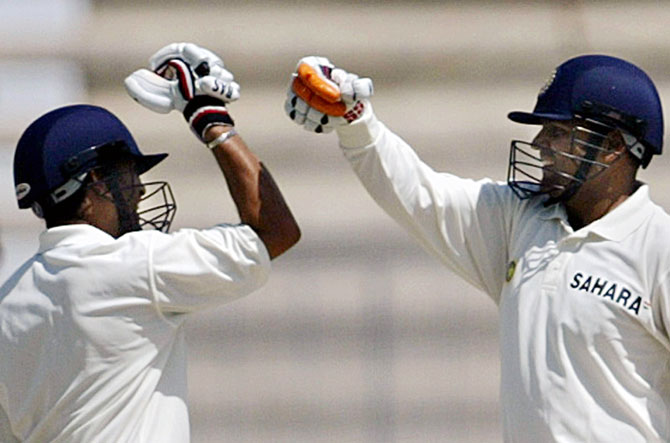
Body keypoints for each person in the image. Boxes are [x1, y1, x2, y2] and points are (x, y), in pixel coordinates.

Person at [285, 55, 670, 441]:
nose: (539, 145)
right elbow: (421, 195)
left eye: (558, 132)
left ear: (613, 147)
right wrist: (355, 120)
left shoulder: (659, 248)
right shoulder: (520, 219)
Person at [0, 43, 300, 442]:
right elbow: (276, 231)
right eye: (129, 176)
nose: (139, 192)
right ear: (94, 183)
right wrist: (210, 120)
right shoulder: (134, 266)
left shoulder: (7, 304)